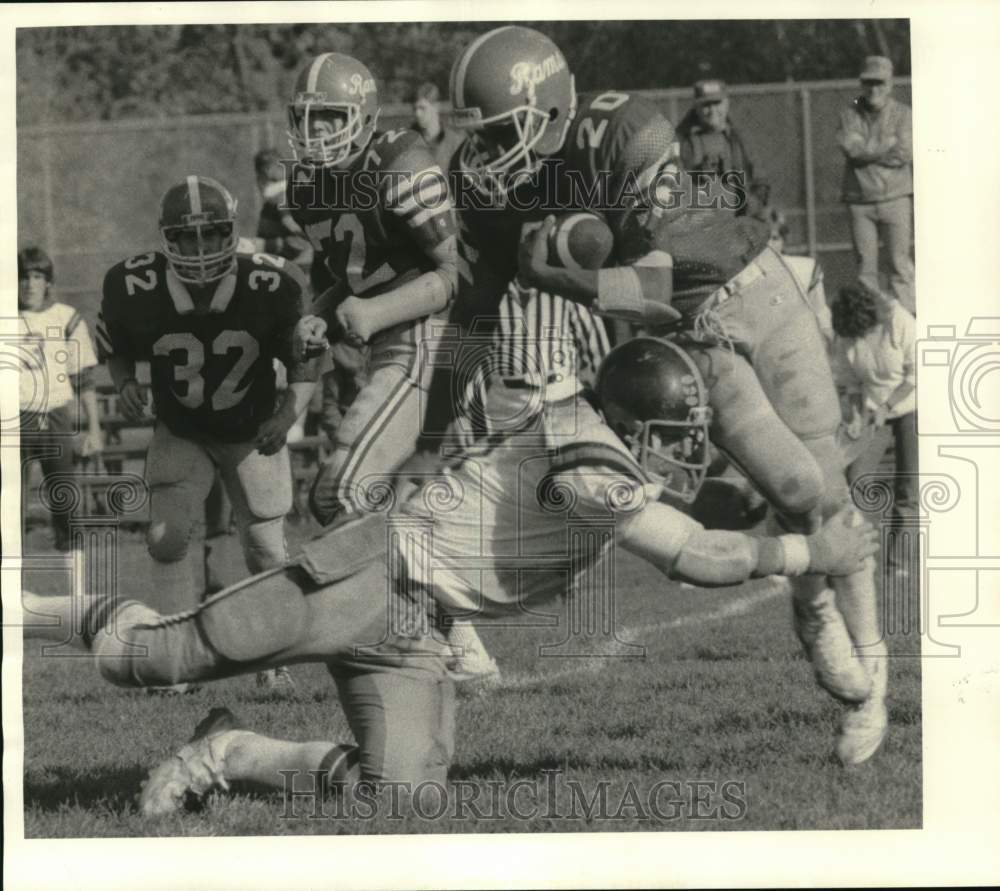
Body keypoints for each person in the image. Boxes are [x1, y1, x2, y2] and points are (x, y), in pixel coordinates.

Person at [21, 336, 880, 818]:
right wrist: (815, 553)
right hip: (370, 573)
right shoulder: (587, 453)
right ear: (628, 422)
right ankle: (25, 607)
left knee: (400, 799)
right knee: (147, 658)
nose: (685, 450)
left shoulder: (602, 439)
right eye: (673, 434)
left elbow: (705, 522)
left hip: (418, 626)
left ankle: (226, 751)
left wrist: (791, 519)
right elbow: (696, 556)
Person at [447, 25, 888, 764]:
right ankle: (814, 603)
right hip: (697, 338)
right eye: (479, 135)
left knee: (828, 492)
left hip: (754, 291)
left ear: (546, 111)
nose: (484, 152)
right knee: (794, 488)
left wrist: (558, 277)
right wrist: (438, 414)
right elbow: (475, 307)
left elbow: (652, 285)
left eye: (498, 132)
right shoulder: (497, 184)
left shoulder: (624, 131)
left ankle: (870, 675)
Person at [95, 175, 318, 629]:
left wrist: (285, 416)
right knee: (165, 536)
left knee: (266, 549)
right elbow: (115, 346)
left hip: (251, 428)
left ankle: (274, 650)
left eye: (211, 234)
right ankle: (175, 645)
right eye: (186, 237)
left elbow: (307, 364)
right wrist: (125, 383)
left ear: (230, 231)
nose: (200, 249)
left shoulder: (271, 282)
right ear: (167, 238)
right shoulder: (133, 285)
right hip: (183, 427)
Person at [18, 246, 104, 552]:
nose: (29, 284)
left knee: (65, 504)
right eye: (23, 277)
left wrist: (94, 429)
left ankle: (75, 577)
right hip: (12, 420)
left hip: (54, 416)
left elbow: (84, 380)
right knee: (10, 509)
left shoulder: (66, 318)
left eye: (37, 276)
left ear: (48, 282)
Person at [830, 281, 917, 572]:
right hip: (874, 412)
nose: (860, 338)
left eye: (864, 331)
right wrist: (856, 416)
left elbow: (916, 375)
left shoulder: (900, 321)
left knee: (908, 490)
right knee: (857, 482)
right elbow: (852, 383)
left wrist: (887, 407)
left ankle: (898, 563)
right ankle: (860, 557)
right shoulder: (847, 335)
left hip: (912, 408)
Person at [836, 55, 914, 315]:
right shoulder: (850, 114)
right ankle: (870, 325)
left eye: (880, 83)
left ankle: (909, 324)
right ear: (862, 84)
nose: (874, 89)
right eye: (869, 82)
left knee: (899, 266)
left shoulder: (903, 114)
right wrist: (886, 144)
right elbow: (852, 150)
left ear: (890, 84)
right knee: (865, 270)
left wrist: (868, 150)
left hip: (896, 198)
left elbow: (904, 153)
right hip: (860, 201)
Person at [675, 79, 769, 218]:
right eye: (706, 105)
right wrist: (697, 175)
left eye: (717, 103)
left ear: (726, 103)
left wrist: (752, 208)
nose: (712, 111)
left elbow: (759, 179)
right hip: (696, 221)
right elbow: (671, 184)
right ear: (696, 107)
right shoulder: (681, 140)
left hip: (737, 221)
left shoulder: (739, 138)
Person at [410, 82, 464, 172]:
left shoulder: (455, 143)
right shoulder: (409, 142)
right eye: (414, 109)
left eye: (422, 108)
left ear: (436, 106)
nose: (417, 114)